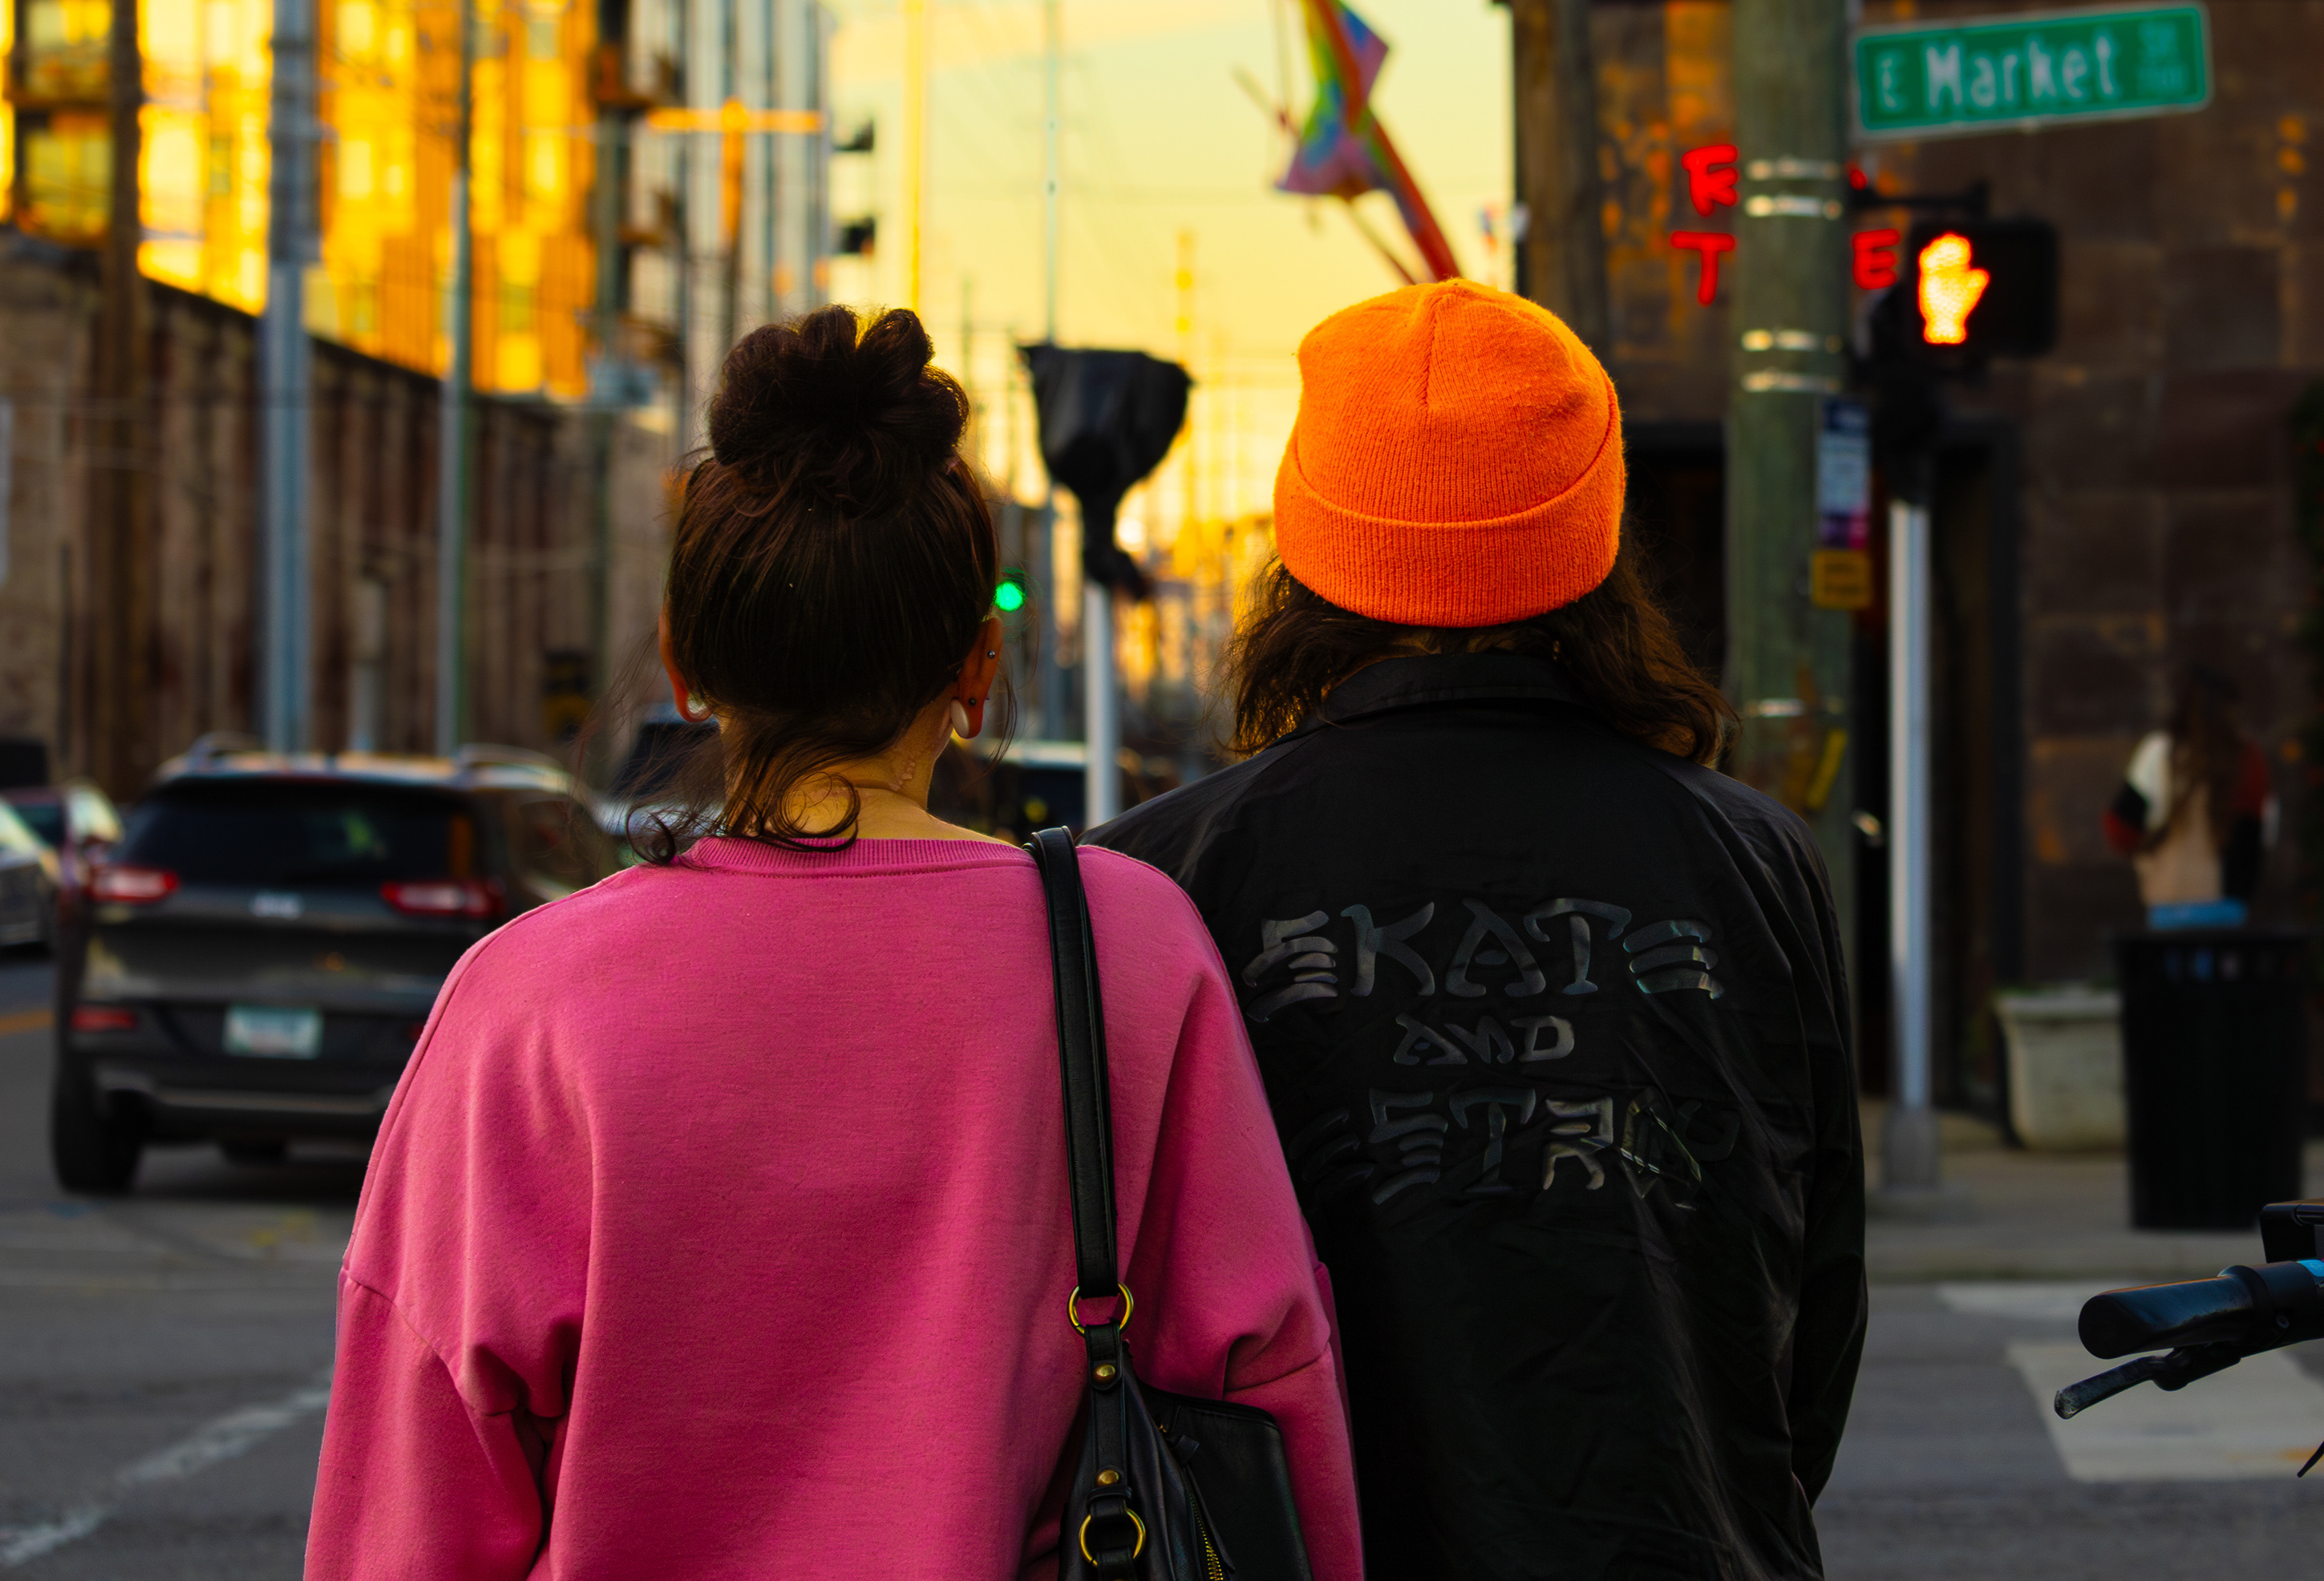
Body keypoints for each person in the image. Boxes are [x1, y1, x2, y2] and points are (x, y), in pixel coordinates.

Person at [304, 308, 1361, 1581]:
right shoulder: (1125, 949)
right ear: (978, 671)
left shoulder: (527, 1000)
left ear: (691, 666)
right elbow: (1266, 1375)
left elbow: (418, 1487)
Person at [1092, 280, 1865, 1581]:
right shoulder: (1752, 858)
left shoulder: (1159, 883)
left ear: (1311, 547)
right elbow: (1816, 1317)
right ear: (1596, 542)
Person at [2103, 666, 2272, 928]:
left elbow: (2120, 828)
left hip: (2169, 902)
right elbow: (2259, 835)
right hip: (2227, 907)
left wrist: (2148, 855)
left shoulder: (2158, 753)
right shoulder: (2247, 758)